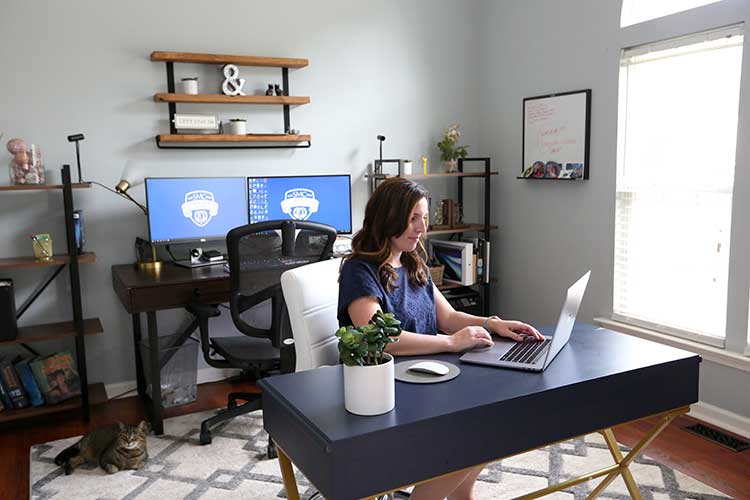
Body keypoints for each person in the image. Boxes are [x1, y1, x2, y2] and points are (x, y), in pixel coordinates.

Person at [338, 177, 543, 500]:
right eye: (412, 218)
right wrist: (451, 343)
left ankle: (463, 495)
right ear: (388, 217)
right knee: (469, 437)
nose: (421, 227)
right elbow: (382, 339)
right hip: (388, 386)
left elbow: (447, 318)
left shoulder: (411, 260)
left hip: (426, 373)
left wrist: (494, 323)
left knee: (495, 423)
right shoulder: (359, 270)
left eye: (424, 217)